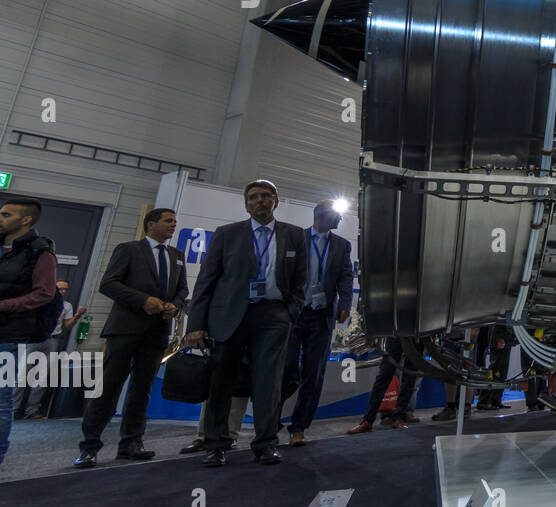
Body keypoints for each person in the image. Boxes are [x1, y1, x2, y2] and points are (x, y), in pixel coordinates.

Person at [184, 179, 306, 467]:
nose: (259, 201)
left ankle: (265, 443)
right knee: (221, 383)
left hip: (274, 317)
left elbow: (301, 278)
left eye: (265, 196)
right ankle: (216, 444)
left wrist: (291, 312)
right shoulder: (227, 234)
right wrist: (195, 325)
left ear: (275, 201)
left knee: (268, 383)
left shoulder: (294, 235)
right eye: (253, 197)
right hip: (229, 317)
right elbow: (206, 280)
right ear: (246, 204)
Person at [74, 208, 188, 468]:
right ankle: (90, 447)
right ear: (151, 224)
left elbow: (182, 290)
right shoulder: (128, 249)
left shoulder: (176, 256)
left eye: (175, 221)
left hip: (157, 332)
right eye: (168, 221)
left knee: (142, 390)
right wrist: (142, 300)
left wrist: (174, 304)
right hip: (125, 329)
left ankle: (131, 444)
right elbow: (109, 283)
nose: (173, 225)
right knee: (109, 389)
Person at [278, 199, 353, 447]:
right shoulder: (295, 237)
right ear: (321, 215)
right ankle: (270, 418)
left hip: (321, 317)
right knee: (285, 369)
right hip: (293, 314)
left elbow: (345, 276)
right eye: (337, 216)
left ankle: (298, 427)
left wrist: (344, 304)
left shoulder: (342, 245)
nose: (340, 220)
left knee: (314, 373)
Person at [0, 198, 57, 467]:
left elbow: (44, 293)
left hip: (8, 336)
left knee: (1, 400)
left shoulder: (40, 252)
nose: (0, 218)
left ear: (25, 220)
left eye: (6, 214)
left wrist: (5, 306)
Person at [14, 280, 82, 419]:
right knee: (22, 374)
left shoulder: (66, 305)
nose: (62, 291)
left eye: (65, 289)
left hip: (52, 339)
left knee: (43, 377)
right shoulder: (42, 301)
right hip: (34, 338)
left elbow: (67, 325)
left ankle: (32, 411)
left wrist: (78, 316)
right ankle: (13, 409)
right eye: (60, 288)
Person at [346, 337, 425, 433]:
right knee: (384, 375)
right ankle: (367, 421)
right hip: (395, 332)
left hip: (416, 334)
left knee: (409, 377)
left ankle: (399, 418)